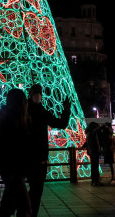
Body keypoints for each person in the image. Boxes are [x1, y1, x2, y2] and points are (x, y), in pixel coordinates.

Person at [26, 84, 70, 217]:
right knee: (35, 190)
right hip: (31, 158)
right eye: (35, 93)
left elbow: (61, 124)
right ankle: (27, 212)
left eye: (39, 93)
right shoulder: (27, 112)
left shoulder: (41, 112)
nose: (37, 96)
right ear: (30, 95)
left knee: (36, 190)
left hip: (40, 158)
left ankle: (27, 211)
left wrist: (66, 110)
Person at [0, 87, 32, 217]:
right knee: (23, 209)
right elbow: (17, 148)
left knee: (11, 207)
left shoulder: (12, 121)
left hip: (12, 172)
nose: (27, 103)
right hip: (14, 173)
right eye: (24, 101)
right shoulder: (13, 123)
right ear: (20, 103)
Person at [85, 122, 103, 186]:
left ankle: (93, 181)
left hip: (91, 151)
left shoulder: (88, 134)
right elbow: (97, 142)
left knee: (93, 166)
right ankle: (96, 181)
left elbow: (86, 143)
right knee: (95, 166)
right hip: (95, 151)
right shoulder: (93, 133)